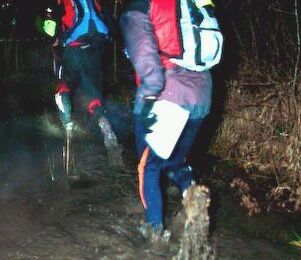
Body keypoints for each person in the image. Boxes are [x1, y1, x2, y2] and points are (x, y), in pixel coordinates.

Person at [120, 0, 222, 239]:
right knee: (175, 161)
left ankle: (154, 233)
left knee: (149, 165)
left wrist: (149, 97)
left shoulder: (140, 5)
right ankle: (191, 194)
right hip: (203, 94)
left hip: (169, 96)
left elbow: (145, 54)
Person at [41, 0, 124, 166]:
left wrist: (50, 31)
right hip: (95, 46)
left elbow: (50, 31)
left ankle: (67, 125)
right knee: (91, 92)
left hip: (72, 47)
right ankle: (103, 122)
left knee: (62, 85)